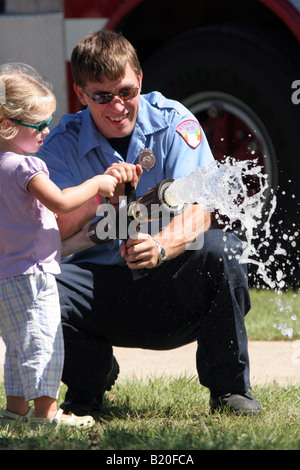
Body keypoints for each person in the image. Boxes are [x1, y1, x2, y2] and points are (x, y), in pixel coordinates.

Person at [37, 30, 262, 417]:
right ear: (81, 94)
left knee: (223, 248)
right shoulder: (60, 144)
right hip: (99, 289)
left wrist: (160, 247)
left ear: (140, 79)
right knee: (38, 279)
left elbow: (202, 208)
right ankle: (87, 388)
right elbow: (47, 233)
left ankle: (229, 390)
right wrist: (96, 197)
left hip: (170, 285)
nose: (118, 106)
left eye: (125, 91)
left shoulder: (174, 123)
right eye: (102, 96)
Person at [0, 64, 121, 428]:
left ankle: (15, 411)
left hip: (8, 274)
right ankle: (47, 414)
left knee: (19, 345)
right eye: (38, 126)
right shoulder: (24, 167)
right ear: (7, 124)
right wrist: (98, 183)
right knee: (45, 343)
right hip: (33, 274)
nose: (46, 131)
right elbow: (62, 202)